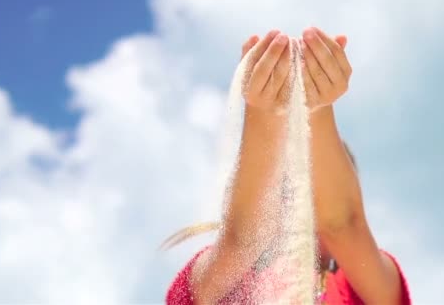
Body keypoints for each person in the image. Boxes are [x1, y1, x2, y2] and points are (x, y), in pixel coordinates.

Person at [165, 28, 411, 304]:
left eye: (317, 195)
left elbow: (342, 225)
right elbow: (245, 236)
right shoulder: (223, 286)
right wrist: (266, 111)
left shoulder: (360, 292)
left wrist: (315, 107)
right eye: (288, 191)